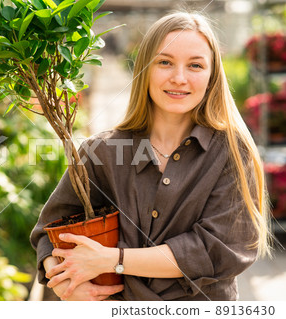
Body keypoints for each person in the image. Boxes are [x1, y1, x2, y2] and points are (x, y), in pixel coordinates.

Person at [30, 11, 271, 301]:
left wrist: (111, 259)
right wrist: (66, 284)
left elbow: (217, 249)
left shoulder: (231, 151)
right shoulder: (102, 151)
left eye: (195, 65)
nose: (179, 78)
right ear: (145, 69)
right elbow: (49, 233)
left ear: (212, 76)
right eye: (165, 62)